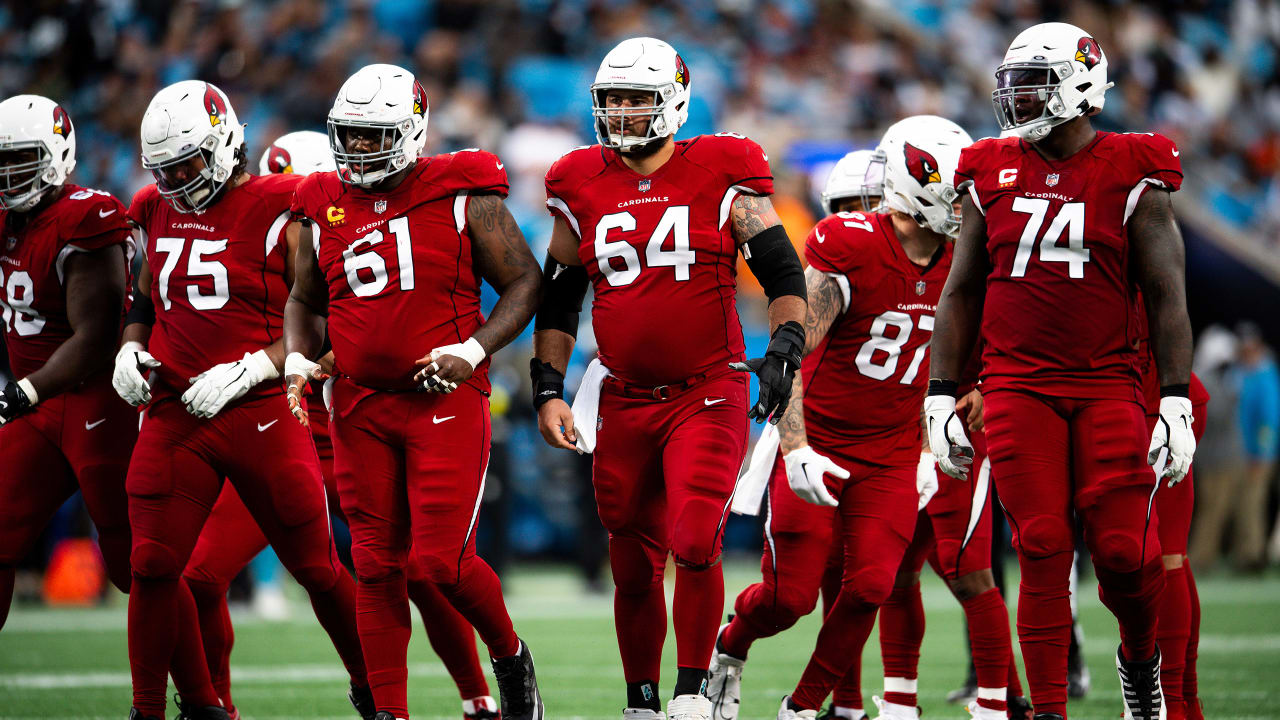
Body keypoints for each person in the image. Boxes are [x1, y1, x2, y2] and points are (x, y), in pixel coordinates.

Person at [179, 130, 500, 720]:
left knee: (421, 570)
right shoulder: (258, 233)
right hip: (287, 432)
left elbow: (365, 328)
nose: (294, 222)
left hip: (356, 422)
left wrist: (302, 360)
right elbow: (289, 315)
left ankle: (477, 696)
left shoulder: (370, 220)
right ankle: (218, 706)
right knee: (201, 573)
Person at [530, 36, 807, 720]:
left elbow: (780, 268)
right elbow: (560, 296)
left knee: (693, 538)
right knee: (630, 558)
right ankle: (643, 701)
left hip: (705, 391)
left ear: (675, 101)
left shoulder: (721, 167)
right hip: (619, 396)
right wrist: (546, 387)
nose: (622, 112)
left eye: (637, 98)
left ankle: (691, 690)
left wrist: (787, 345)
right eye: (613, 99)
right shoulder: (576, 180)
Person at [925, 22, 1196, 720]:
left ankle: (1140, 660)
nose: (1016, 100)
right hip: (1018, 386)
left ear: (1079, 85)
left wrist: (1174, 401)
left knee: (1124, 558)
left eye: (1033, 84)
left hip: (1109, 383)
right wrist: (940, 394)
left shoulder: (1134, 164)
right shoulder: (989, 165)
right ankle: (1049, 709)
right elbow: (961, 290)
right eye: (1011, 85)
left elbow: (1167, 295)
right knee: (1040, 543)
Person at [283, 63, 544, 720]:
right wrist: (296, 356)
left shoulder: (461, 187)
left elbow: (524, 282)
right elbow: (304, 296)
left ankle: (510, 659)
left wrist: (474, 348)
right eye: (352, 135)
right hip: (360, 403)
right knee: (373, 565)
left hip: (442, 396)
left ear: (413, 131)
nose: (360, 149)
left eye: (375, 135)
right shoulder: (320, 200)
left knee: (439, 565)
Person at [114, 80, 366, 720]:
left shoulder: (286, 204)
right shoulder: (154, 205)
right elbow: (146, 297)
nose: (177, 178)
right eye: (165, 167)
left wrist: (258, 364)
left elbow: (327, 317)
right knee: (153, 566)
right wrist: (130, 345)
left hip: (261, 411)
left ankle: (377, 691)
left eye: (189, 162)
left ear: (225, 143)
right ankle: (166, 709)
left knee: (316, 567)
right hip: (177, 411)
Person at [0, 95, 134, 632]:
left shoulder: (88, 216)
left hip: (96, 403)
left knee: (136, 564)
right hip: (38, 405)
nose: (9, 173)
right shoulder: (8, 220)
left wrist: (25, 391)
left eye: (21, 158)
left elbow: (98, 336)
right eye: (2, 160)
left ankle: (202, 697)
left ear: (56, 154)